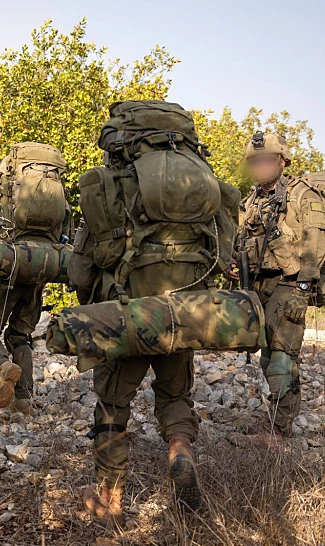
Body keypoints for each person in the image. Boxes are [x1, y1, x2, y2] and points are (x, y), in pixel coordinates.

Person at [70, 100, 241, 522]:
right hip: (185, 313)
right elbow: (224, 258)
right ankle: (180, 451)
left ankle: (110, 500)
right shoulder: (208, 188)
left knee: (112, 404)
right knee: (175, 395)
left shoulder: (111, 184)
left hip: (127, 314)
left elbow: (80, 269)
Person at [0, 143, 71, 415]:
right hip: (40, 270)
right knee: (21, 336)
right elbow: (65, 236)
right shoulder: (61, 201)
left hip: (6, 268)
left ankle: (2, 368)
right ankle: (23, 400)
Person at [234, 132, 325, 438]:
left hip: (290, 284)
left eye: (266, 160)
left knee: (282, 357)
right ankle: (275, 418)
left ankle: (280, 431)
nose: (260, 166)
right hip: (259, 284)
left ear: (282, 161)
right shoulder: (250, 200)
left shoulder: (302, 195)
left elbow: (315, 246)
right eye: (255, 161)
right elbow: (240, 241)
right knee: (266, 354)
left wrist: (303, 291)